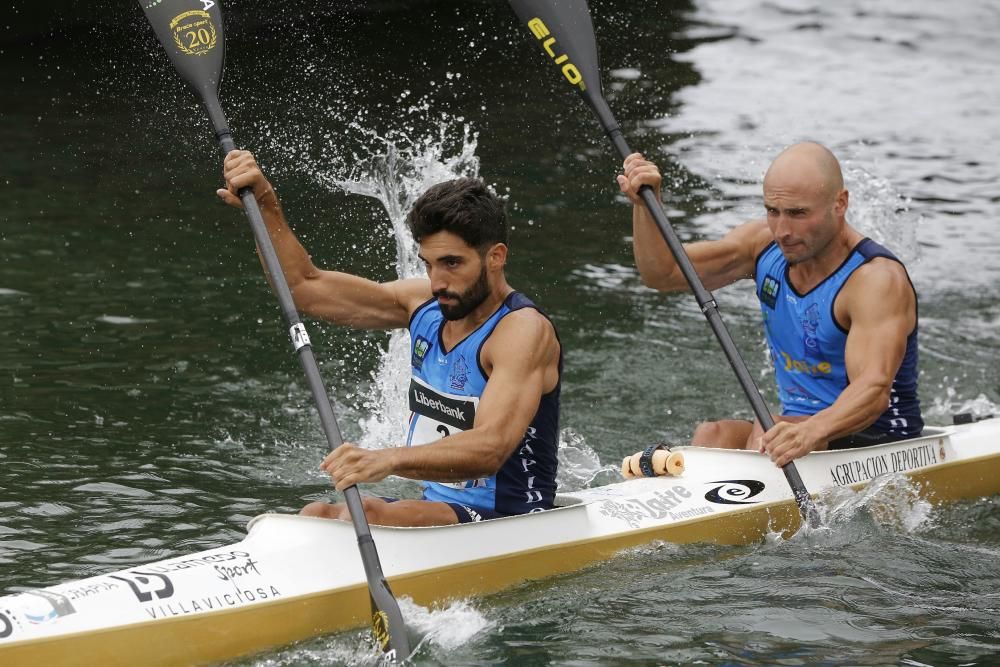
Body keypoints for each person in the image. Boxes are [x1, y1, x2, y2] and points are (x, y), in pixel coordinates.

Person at [217, 150, 562, 526]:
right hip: (445, 506)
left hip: (512, 518)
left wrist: (387, 459)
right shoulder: (424, 305)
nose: (437, 282)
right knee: (315, 514)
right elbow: (303, 287)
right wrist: (267, 205)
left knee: (363, 513)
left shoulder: (521, 331)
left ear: (495, 257)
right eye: (428, 264)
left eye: (452, 263)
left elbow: (491, 448)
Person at [616, 141, 922, 468]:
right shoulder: (762, 247)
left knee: (768, 429)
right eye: (772, 211)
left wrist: (812, 431)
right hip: (795, 431)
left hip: (877, 440)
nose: (782, 231)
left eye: (798, 213)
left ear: (840, 204)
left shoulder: (874, 280)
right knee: (711, 436)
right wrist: (646, 207)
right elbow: (664, 273)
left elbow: (873, 392)